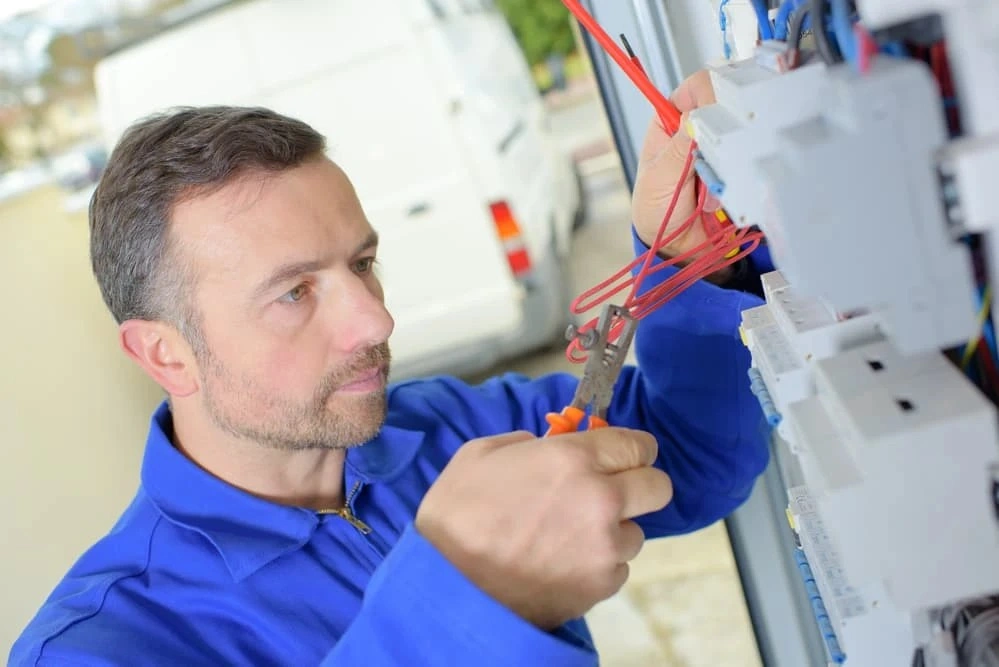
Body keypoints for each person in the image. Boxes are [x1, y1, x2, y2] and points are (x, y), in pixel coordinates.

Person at [11, 70, 771, 666]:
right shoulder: (97, 646)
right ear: (163, 352)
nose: (375, 320)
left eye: (363, 262)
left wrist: (681, 250)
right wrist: (467, 603)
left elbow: (696, 458)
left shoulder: (449, 427)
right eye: (294, 291)